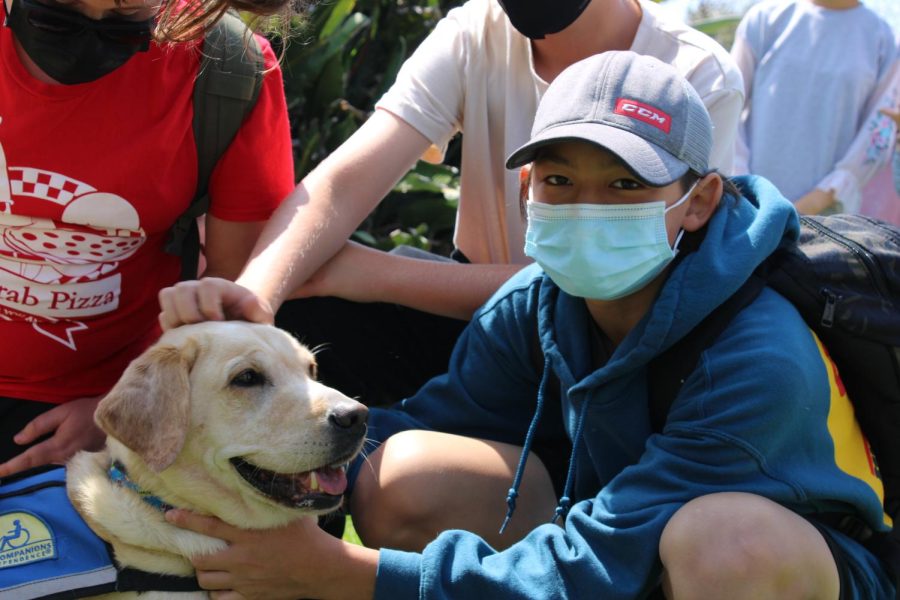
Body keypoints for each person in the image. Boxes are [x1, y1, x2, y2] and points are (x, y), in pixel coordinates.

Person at [165, 51, 895, 598]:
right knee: (403, 473)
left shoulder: (757, 357)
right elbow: (412, 426)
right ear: (527, 188)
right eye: (559, 180)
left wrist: (348, 576)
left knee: (727, 542)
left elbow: (605, 558)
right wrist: (206, 431)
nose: (588, 205)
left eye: (626, 185)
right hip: (621, 538)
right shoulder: (541, 302)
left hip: (771, 570)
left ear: (699, 200)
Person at [158, 0, 745, 407]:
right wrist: (257, 294)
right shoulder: (477, 32)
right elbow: (343, 182)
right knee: (299, 316)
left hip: (625, 342)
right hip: (483, 322)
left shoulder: (693, 74)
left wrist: (373, 272)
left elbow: (618, 285)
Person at [0, 0, 295, 476]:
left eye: (125, 20)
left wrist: (120, 411)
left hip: (103, 406)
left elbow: (231, 295)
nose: (88, 35)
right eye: (55, 12)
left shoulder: (225, 70)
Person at [731, 0, 896, 215]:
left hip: (828, 223)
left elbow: (879, 132)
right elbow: (728, 105)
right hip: (745, 212)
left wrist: (821, 198)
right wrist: (743, 189)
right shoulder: (764, 18)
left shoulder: (884, 40)